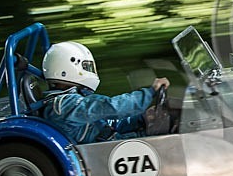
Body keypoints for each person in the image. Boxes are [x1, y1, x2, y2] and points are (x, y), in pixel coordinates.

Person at [40, 41, 170, 144]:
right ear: (66, 68)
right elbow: (111, 107)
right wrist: (149, 92)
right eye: (86, 66)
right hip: (100, 151)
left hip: (108, 143)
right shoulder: (63, 106)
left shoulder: (67, 102)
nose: (89, 71)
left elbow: (109, 123)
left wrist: (141, 119)